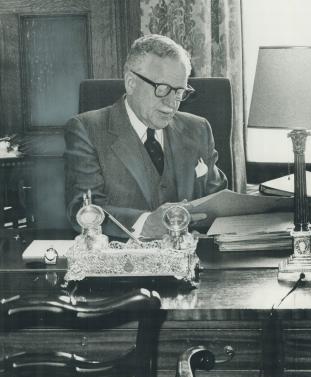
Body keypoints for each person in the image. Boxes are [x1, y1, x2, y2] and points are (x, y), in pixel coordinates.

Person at [64, 34, 227, 239]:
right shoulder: (87, 130)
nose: (171, 103)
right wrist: (145, 224)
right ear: (131, 83)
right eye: (163, 89)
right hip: (122, 264)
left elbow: (218, 200)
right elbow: (82, 209)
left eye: (179, 91)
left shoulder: (198, 128)